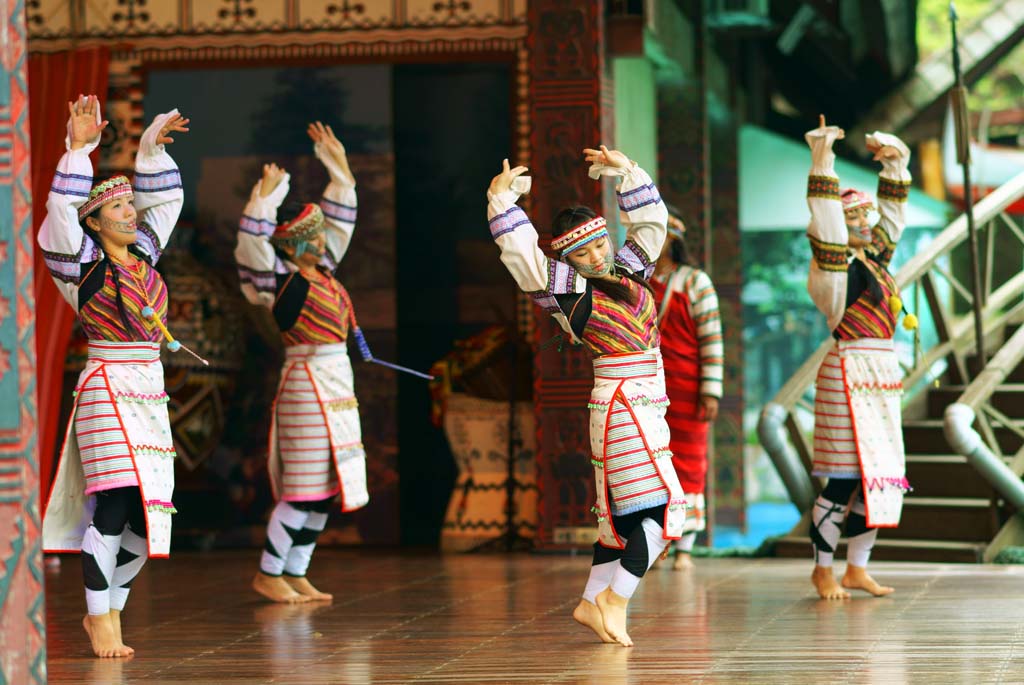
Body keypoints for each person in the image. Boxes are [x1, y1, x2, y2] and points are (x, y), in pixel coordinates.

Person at [487, 147, 685, 647]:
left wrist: (627, 173)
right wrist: (501, 202)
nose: (596, 256)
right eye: (583, 253)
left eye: (598, 245)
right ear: (568, 259)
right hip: (621, 404)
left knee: (623, 516)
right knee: (663, 512)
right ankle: (615, 600)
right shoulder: (570, 292)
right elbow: (524, 256)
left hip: (643, 402)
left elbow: (651, 226)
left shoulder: (627, 273)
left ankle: (591, 600)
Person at [40, 94, 190, 657]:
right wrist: (78, 151)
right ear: (95, 221)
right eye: (119, 209)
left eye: (132, 205)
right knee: (116, 500)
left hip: (149, 388)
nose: (131, 214)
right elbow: (58, 218)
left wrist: (149, 147)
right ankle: (98, 617)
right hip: (106, 381)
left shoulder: (146, 254)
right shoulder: (81, 266)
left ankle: (112, 611)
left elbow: (167, 206)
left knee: (145, 515)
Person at [235, 122, 365, 604]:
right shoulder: (280, 282)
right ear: (289, 244)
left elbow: (344, 216)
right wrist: (263, 203)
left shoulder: (325, 270)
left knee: (329, 485)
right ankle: (269, 571)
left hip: (336, 381)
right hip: (307, 381)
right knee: (305, 484)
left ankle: (297, 569)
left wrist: (340, 168)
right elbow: (251, 247)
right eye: (310, 236)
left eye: (320, 233)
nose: (320, 240)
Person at [804, 115, 912, 600]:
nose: (864, 225)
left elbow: (891, 223)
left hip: (881, 377)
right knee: (844, 477)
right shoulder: (832, 271)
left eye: (865, 217)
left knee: (880, 477)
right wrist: (822, 157)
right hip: (848, 372)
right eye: (854, 218)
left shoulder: (875, 261)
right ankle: (823, 568)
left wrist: (893, 167)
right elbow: (826, 225)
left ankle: (856, 567)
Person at [650, 210, 723, 570]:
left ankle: (686, 546)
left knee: (690, 461)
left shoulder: (696, 281)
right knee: (653, 462)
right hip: (648, 386)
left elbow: (711, 338)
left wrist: (710, 391)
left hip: (688, 385)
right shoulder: (637, 281)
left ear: (673, 238)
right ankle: (656, 542)